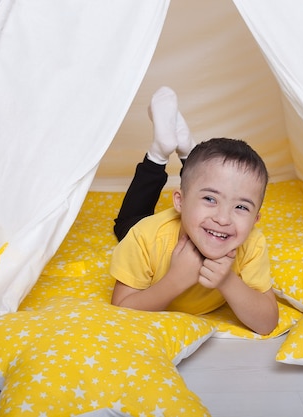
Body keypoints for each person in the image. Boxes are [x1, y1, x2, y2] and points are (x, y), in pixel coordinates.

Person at [110, 86, 278, 335]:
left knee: (206, 181)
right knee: (128, 221)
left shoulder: (252, 244)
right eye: (211, 200)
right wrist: (175, 280)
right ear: (177, 202)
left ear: (255, 219)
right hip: (151, 225)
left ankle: (191, 152)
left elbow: (267, 324)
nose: (223, 219)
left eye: (241, 207)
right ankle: (159, 153)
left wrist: (227, 280)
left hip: (191, 205)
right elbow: (120, 312)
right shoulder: (144, 237)